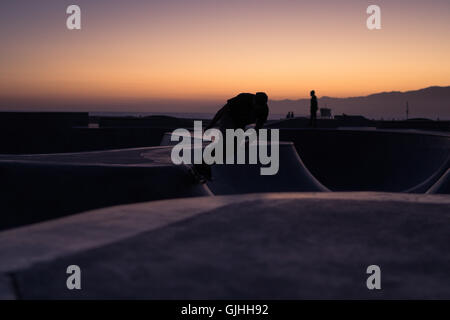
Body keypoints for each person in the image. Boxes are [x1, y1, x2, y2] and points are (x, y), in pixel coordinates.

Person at [193, 92, 269, 181]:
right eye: (256, 105)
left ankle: (205, 165)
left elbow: (258, 127)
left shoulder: (264, 110)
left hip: (240, 125)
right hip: (229, 118)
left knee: (232, 150)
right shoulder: (242, 99)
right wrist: (211, 124)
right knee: (227, 142)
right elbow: (222, 111)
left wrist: (250, 141)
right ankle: (201, 163)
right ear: (253, 100)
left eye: (259, 107)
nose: (257, 108)